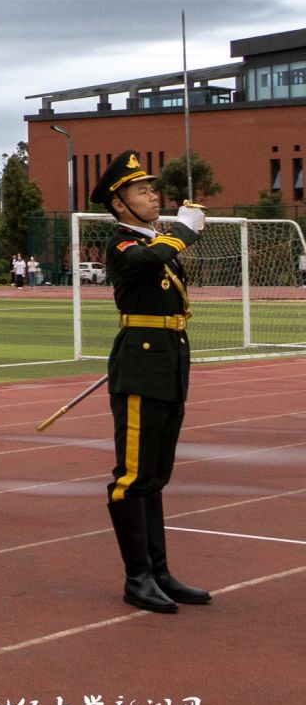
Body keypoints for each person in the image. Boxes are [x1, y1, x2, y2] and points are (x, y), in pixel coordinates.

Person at [91, 150, 210, 613]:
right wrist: (185, 230)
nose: (153, 196)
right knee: (132, 477)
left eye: (151, 188)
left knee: (155, 477)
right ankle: (136, 578)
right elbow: (150, 258)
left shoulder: (157, 241)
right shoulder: (122, 245)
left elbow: (162, 255)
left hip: (168, 364)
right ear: (119, 204)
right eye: (141, 191)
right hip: (141, 367)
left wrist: (176, 234)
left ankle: (158, 572)